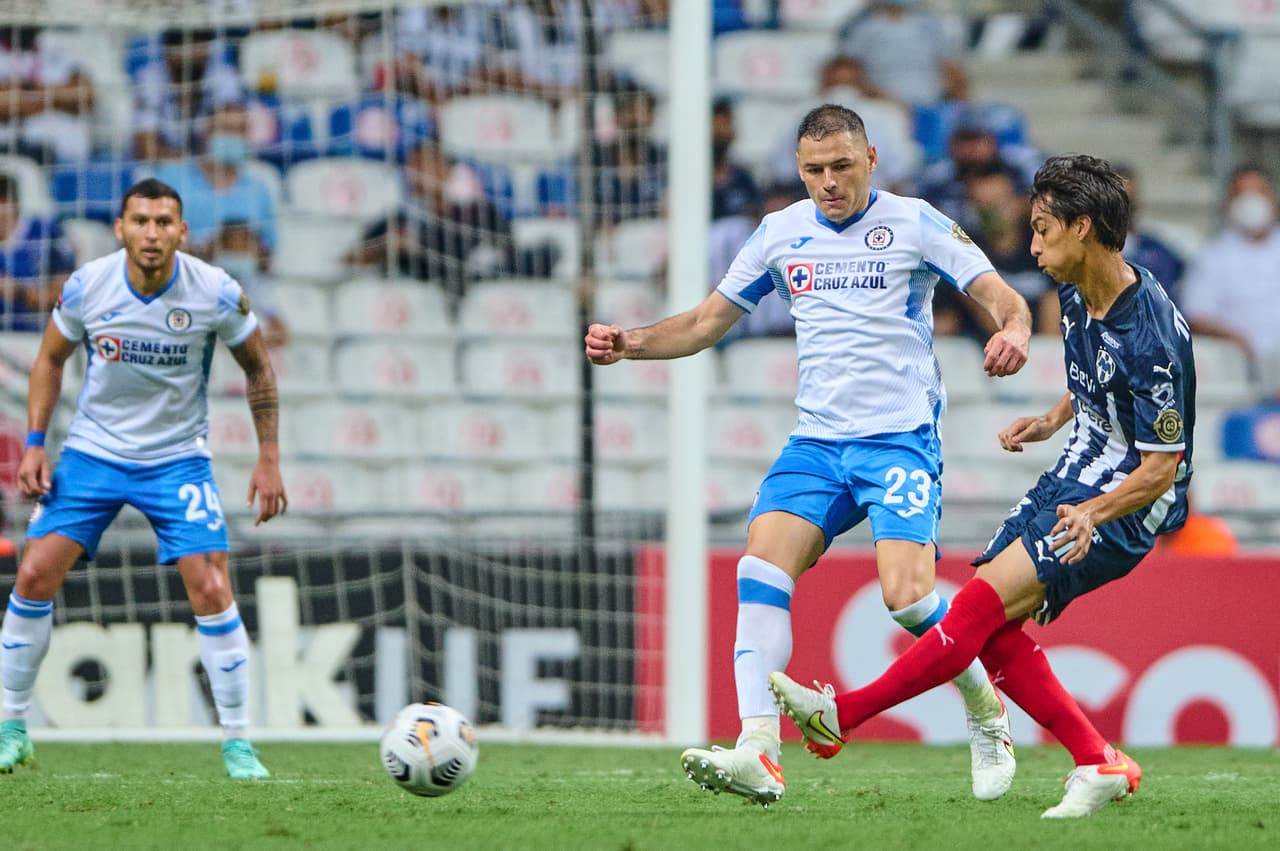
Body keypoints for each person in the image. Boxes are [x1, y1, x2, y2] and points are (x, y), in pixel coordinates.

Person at [585, 104, 1032, 806]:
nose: (828, 182)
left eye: (841, 167)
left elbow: (1000, 295)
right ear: (799, 170)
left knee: (907, 598)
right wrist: (630, 343)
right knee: (759, 564)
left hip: (898, 440)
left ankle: (985, 709)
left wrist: (1014, 330)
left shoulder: (915, 222)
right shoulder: (780, 233)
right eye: (814, 170)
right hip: (818, 443)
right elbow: (707, 322)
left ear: (871, 159)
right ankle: (758, 748)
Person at [770, 154, 1196, 819]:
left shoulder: (1154, 333)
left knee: (972, 611)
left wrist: (1092, 513)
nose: (1031, 246)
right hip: (1076, 473)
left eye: (1043, 230)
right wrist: (1054, 417)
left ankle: (840, 716)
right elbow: (1104, 381)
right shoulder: (1079, 286)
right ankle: (1098, 759)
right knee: (993, 630)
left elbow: (1162, 466)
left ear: (1083, 227)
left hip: (1127, 500)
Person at [0, 178, 288, 778]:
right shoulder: (88, 284)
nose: (151, 233)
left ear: (182, 232)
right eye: (140, 221)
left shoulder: (214, 291)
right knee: (31, 573)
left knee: (210, 586)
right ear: (120, 228)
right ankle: (12, 727)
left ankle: (238, 742)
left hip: (177, 457)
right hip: (92, 452)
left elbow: (258, 366)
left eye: (163, 222)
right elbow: (49, 359)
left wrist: (268, 458)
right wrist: (33, 444)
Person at [1179, 165, 1280, 384]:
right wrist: (1237, 340)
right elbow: (1197, 315)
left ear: (1272, 199)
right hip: (1240, 371)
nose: (1251, 202)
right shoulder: (1212, 256)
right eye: (1243, 195)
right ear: (1228, 203)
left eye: (1258, 193)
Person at [153, 101, 279, 260]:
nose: (233, 136)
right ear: (206, 131)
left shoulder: (259, 189)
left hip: (244, 281)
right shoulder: (170, 179)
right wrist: (204, 250)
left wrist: (244, 245)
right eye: (226, 129)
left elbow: (269, 249)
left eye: (240, 130)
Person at [0, 173, 77, 332]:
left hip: (36, 336)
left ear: (8, 203)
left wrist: (19, 291)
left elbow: (69, 293)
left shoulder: (46, 232)